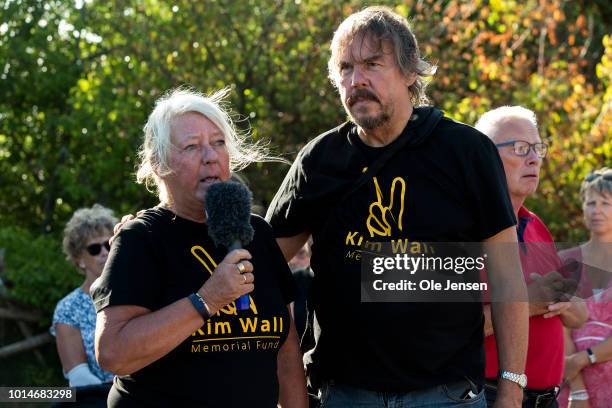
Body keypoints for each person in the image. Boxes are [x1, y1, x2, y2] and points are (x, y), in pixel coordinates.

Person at [266, 6, 529, 407]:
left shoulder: (465, 152)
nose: (357, 81)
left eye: (373, 64)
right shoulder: (320, 160)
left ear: (409, 73)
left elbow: (508, 278)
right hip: (344, 395)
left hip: (447, 396)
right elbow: (261, 265)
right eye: (346, 68)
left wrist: (510, 388)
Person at [90, 88, 307, 407]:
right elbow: (112, 353)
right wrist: (207, 300)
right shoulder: (141, 238)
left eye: (218, 143)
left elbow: (286, 351)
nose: (211, 156)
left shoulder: (255, 232)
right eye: (192, 146)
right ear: (158, 163)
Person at [474, 106, 588, 407]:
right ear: (485, 157)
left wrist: (561, 300)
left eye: (538, 148)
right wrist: (529, 302)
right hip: (488, 395)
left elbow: (578, 317)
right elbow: (446, 328)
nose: (534, 158)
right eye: (521, 148)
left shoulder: (536, 225)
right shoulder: (463, 231)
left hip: (548, 398)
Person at [558, 167, 612, 407]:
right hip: (569, 379)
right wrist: (577, 390)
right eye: (590, 203)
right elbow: (557, 321)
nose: (596, 210)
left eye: (605, 203)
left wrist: (585, 358)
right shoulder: (565, 261)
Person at [51, 205, 116, 400]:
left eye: (109, 244)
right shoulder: (68, 308)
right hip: (99, 399)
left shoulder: (140, 289)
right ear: (79, 259)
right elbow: (78, 376)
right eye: (95, 248)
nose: (104, 252)